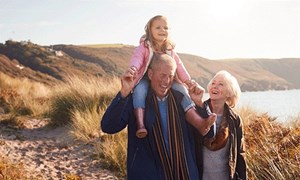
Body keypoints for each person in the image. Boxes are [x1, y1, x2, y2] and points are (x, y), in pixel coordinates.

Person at [101, 53, 212, 179]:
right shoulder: (136, 102)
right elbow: (108, 126)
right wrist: (124, 93)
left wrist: (199, 103)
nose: (166, 81)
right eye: (162, 75)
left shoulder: (182, 100)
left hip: (186, 175)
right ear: (150, 74)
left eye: (170, 76)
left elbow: (209, 134)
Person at [129, 15, 216, 138]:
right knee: (139, 91)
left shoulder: (170, 50)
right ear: (149, 29)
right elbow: (137, 59)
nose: (162, 30)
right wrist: (133, 68)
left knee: (182, 90)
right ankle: (141, 124)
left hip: (168, 79)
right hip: (145, 78)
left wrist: (187, 81)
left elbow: (179, 66)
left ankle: (199, 123)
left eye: (166, 28)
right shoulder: (144, 46)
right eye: (158, 27)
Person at [189, 70, 247, 180]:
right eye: (213, 83)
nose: (215, 86)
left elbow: (240, 154)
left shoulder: (235, 120)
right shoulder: (196, 112)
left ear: (229, 92)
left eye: (221, 84)